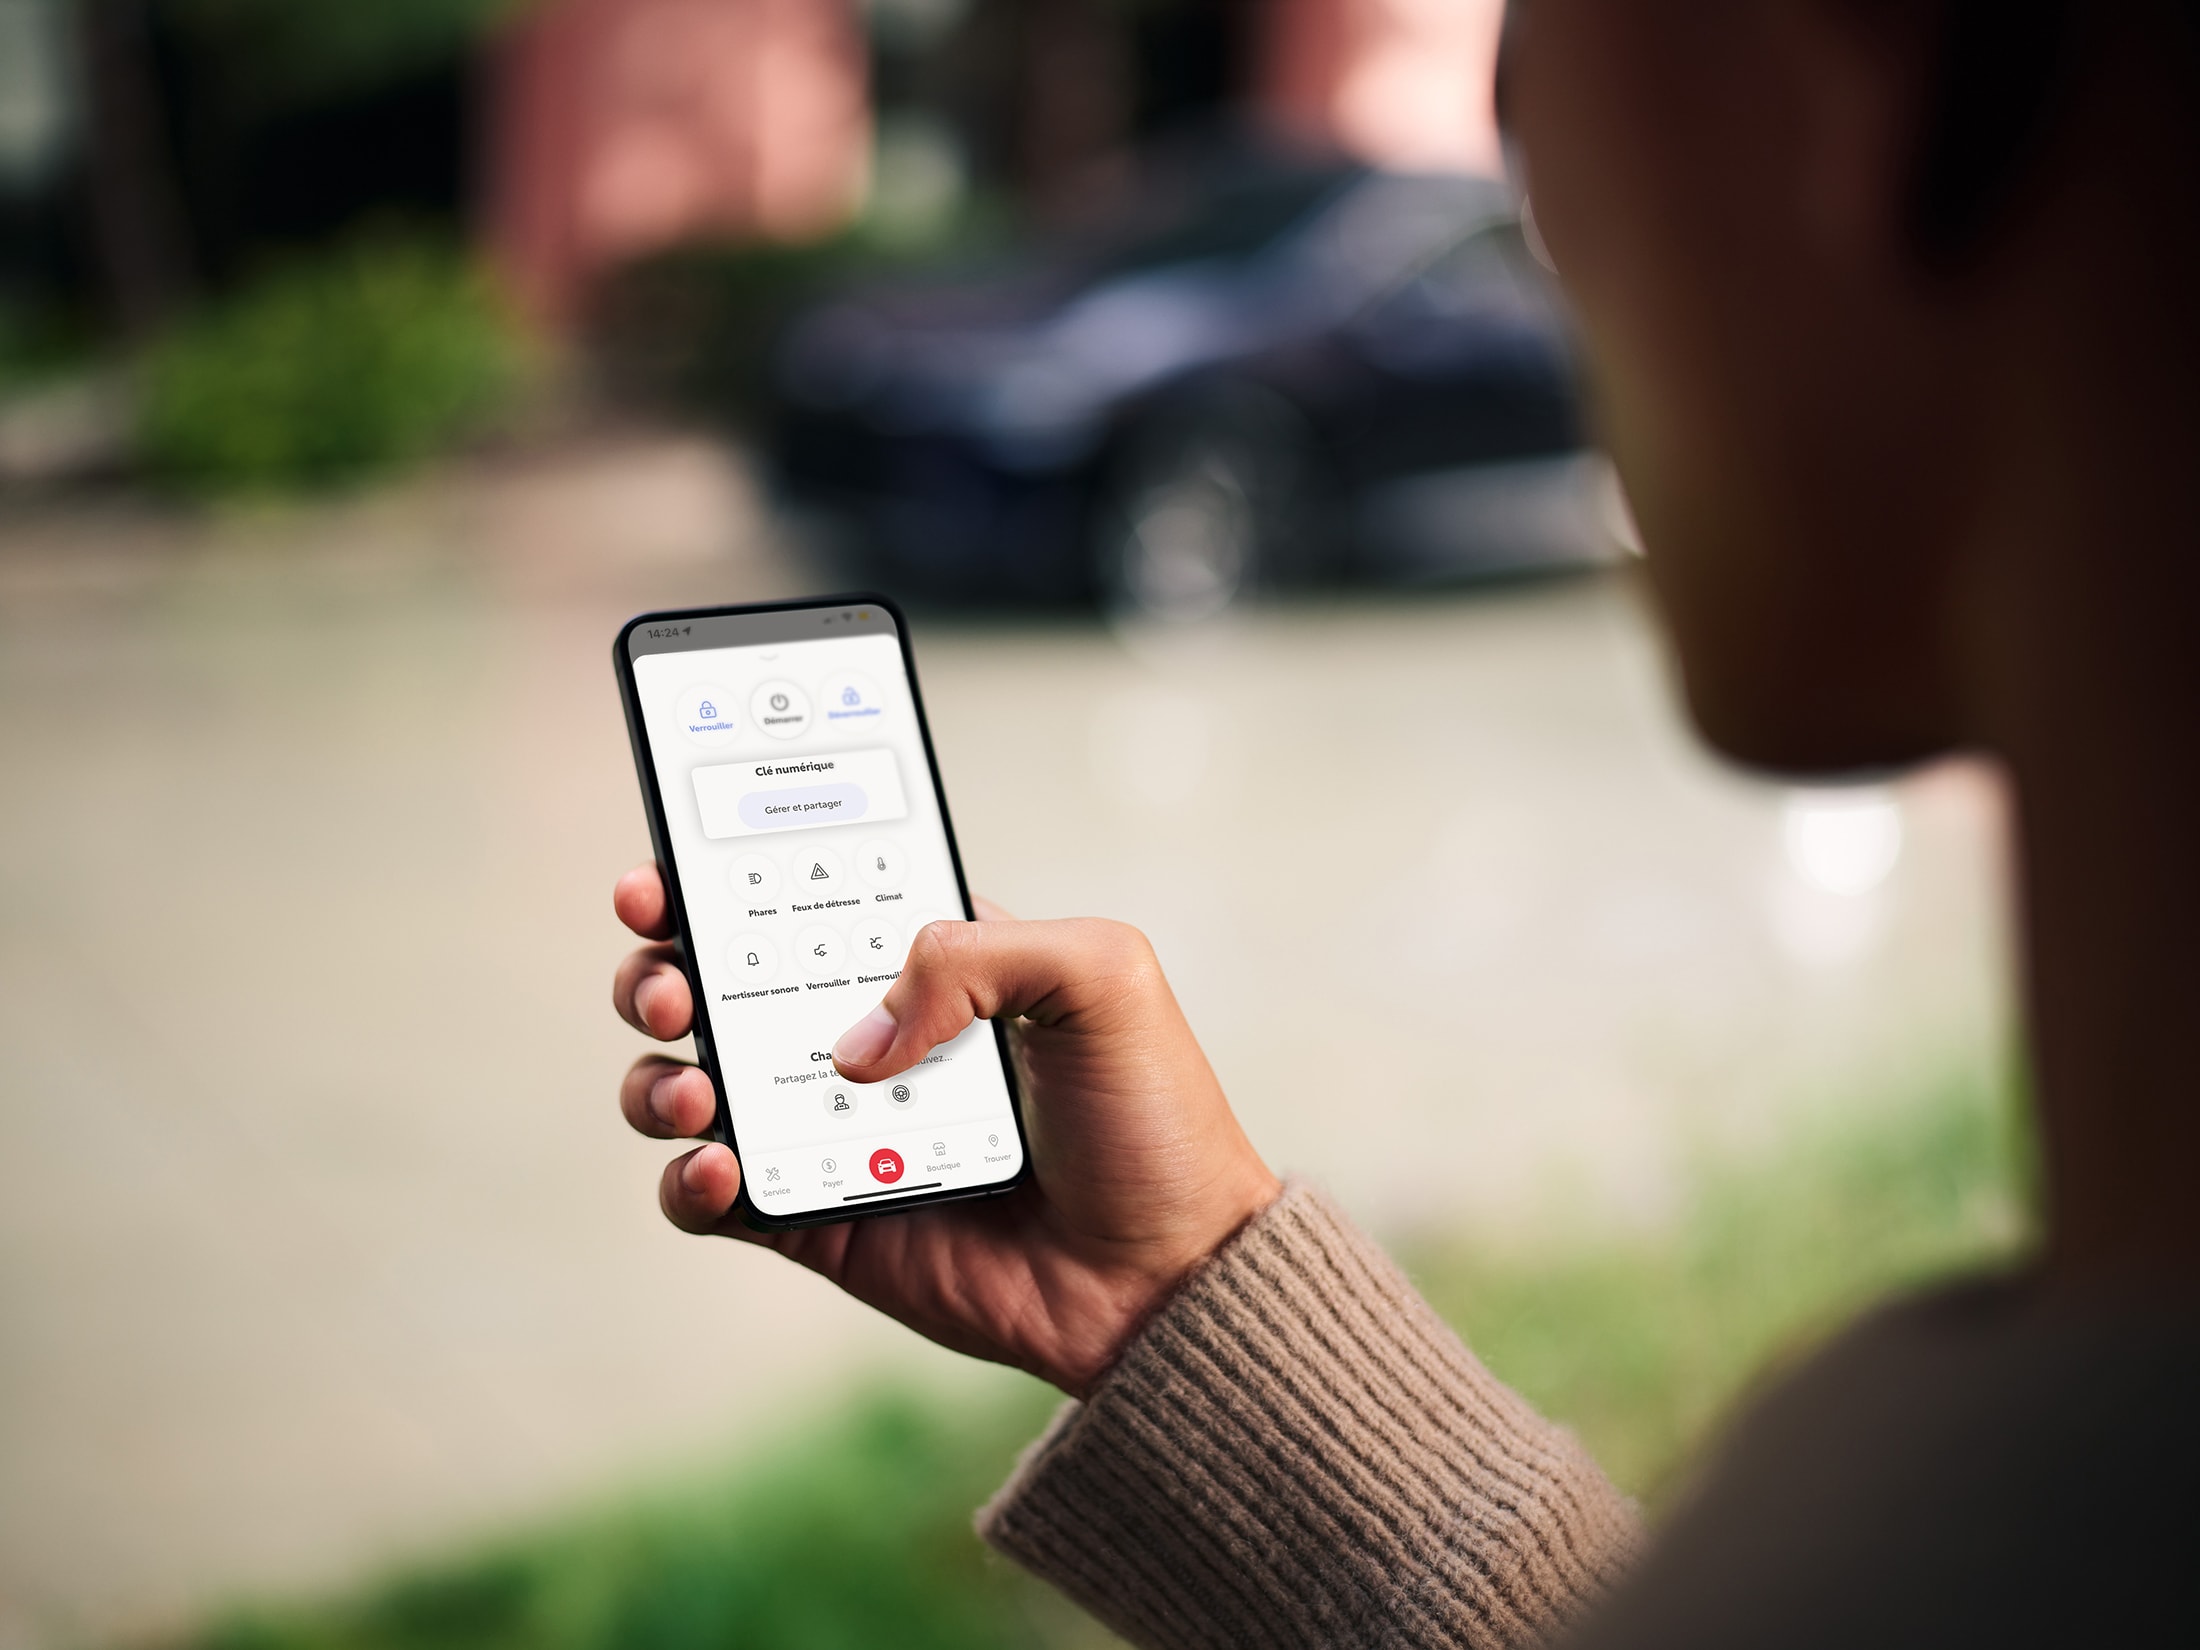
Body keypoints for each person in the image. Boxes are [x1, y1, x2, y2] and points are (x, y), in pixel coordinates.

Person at [608, 1, 2200, 1642]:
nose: (1527, 183)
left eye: (1536, 38)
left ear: (1860, 69)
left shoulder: (1975, 1555)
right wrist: (1183, 1301)